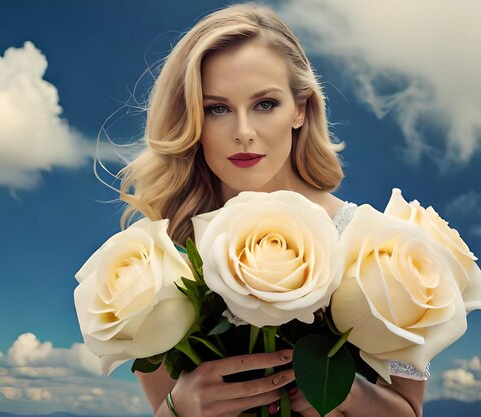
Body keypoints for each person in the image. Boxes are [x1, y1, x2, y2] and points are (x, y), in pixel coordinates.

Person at [114, 3, 427, 416]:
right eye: (217, 108)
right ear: (191, 117)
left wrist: (348, 393)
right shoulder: (162, 258)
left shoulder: (378, 248)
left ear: (300, 109)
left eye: (264, 104)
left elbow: (408, 411)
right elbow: (162, 407)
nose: (243, 132)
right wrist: (179, 407)